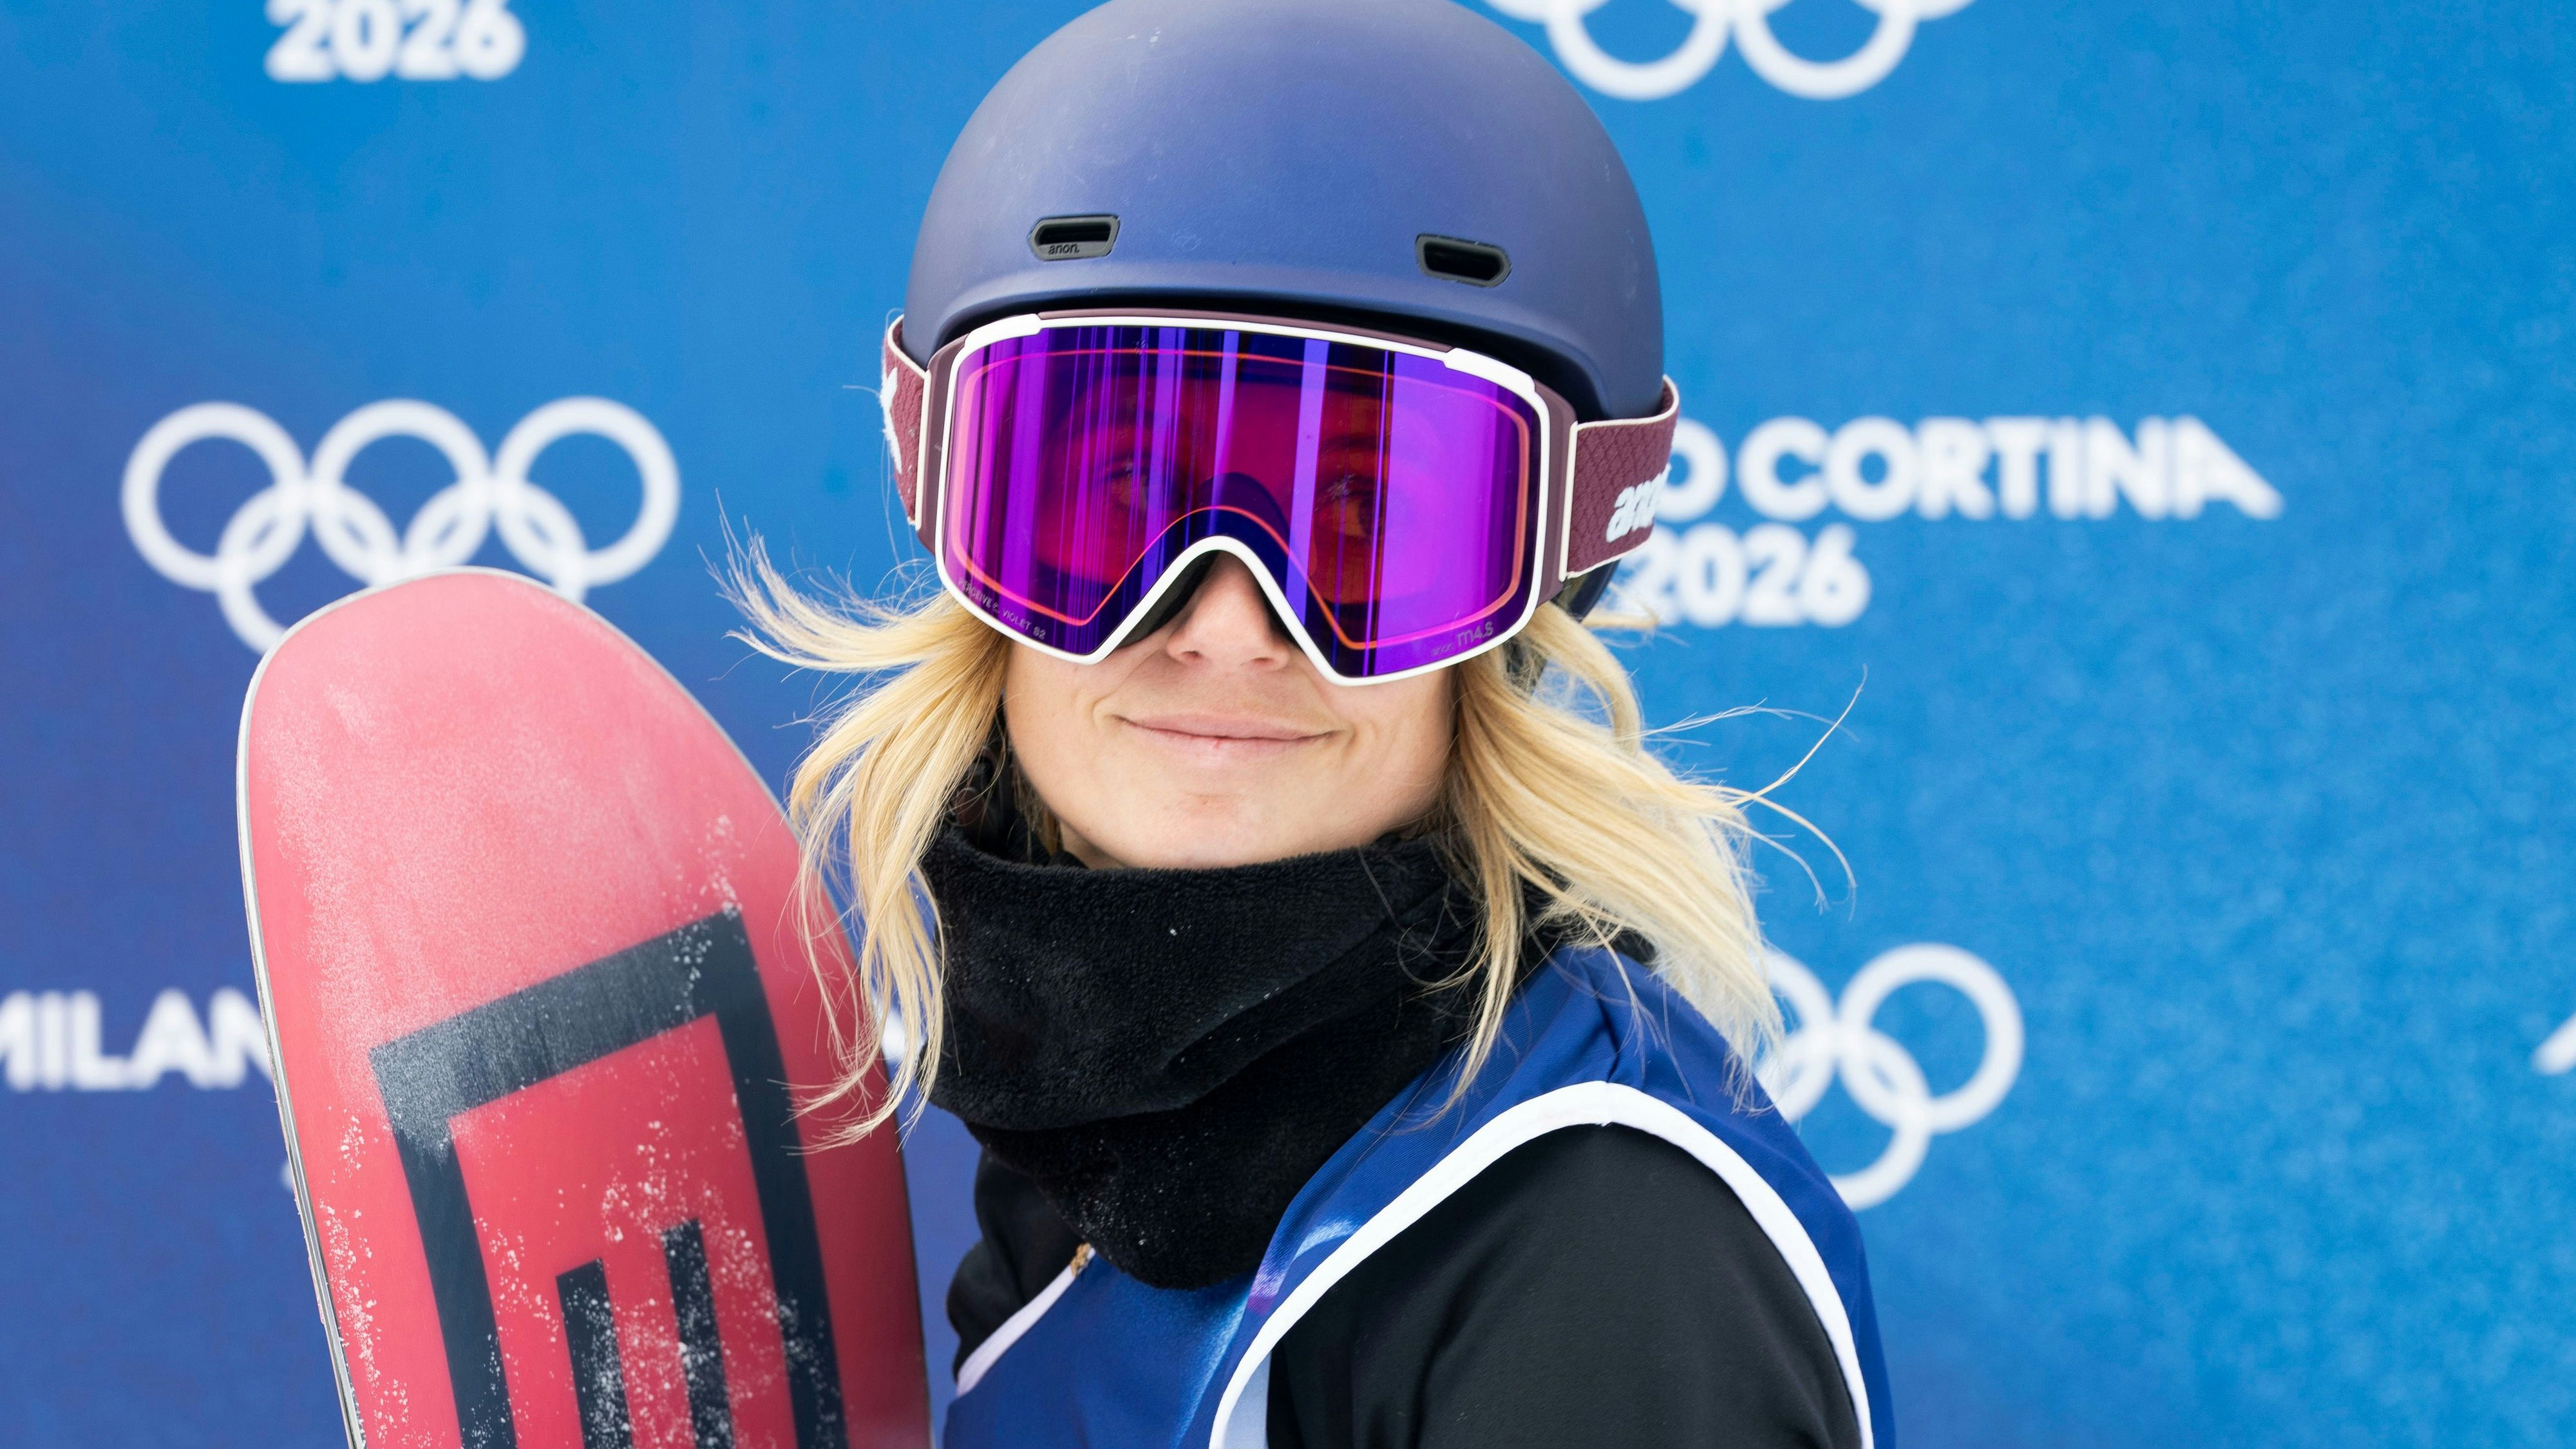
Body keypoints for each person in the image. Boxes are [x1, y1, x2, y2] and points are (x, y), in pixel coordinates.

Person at [737, 0, 1892, 1444]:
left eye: (1362, 523)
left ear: (1529, 595)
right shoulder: (1123, 1148)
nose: (1224, 620)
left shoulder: (1593, 1255)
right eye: (1116, 502)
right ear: (964, 521)